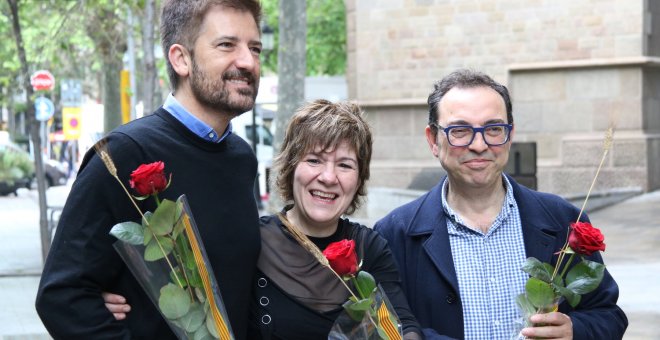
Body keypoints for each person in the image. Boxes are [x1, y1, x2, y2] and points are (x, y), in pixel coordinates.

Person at [35, 1, 264, 339]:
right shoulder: (124, 155)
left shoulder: (241, 158)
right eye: (227, 45)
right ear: (180, 58)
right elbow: (62, 296)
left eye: (254, 48)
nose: (247, 61)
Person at [104, 99, 423, 339]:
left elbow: (403, 323)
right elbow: (188, 294)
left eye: (345, 165)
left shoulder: (371, 248)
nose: (328, 177)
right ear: (290, 168)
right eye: (314, 160)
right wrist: (115, 299)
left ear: (359, 178)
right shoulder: (251, 241)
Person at [374, 69, 628, 339]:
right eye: (460, 131)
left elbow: (608, 315)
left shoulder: (563, 221)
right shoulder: (394, 234)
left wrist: (576, 331)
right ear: (433, 140)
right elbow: (386, 327)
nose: (480, 144)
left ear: (511, 134)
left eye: (494, 129)